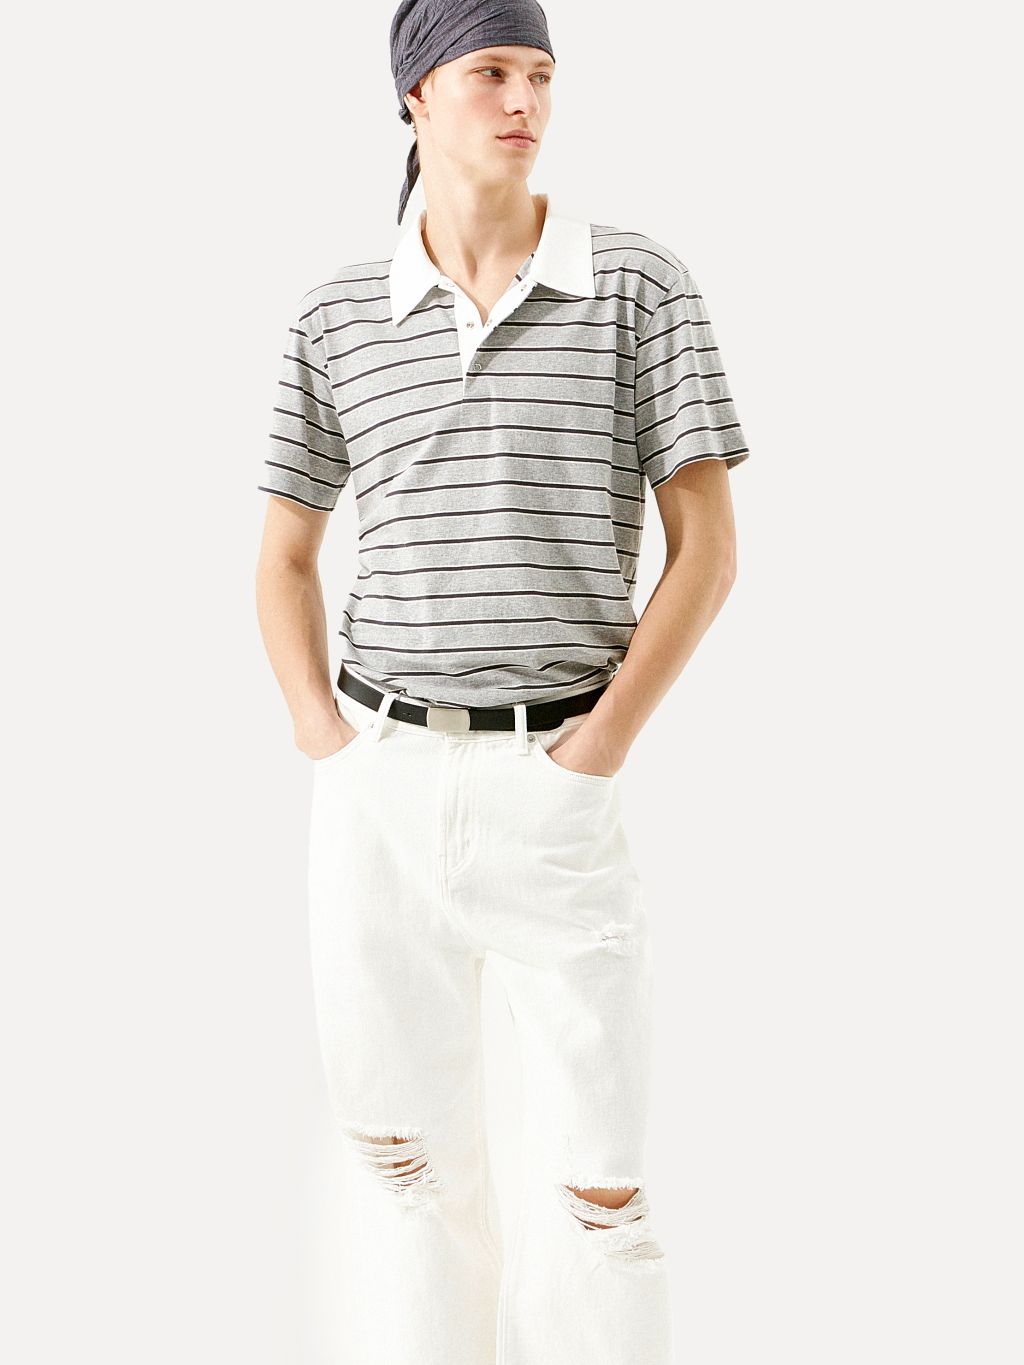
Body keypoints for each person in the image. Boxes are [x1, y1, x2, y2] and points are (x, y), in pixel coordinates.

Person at [254, 2, 751, 1361]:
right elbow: (284, 555)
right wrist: (325, 740)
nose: (524, 100)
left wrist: (601, 746)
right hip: (378, 791)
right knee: (402, 1167)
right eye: (490, 72)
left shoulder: (637, 284)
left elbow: (708, 549)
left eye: (541, 73)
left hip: (558, 785)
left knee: (602, 1183)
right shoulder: (339, 312)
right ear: (416, 96)